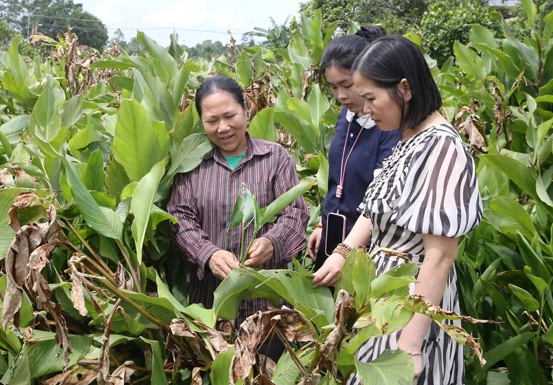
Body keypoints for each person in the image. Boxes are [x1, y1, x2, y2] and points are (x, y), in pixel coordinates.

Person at [312, 36, 483, 385]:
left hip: (412, 304)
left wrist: (410, 347)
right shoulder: (409, 139)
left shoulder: (441, 148)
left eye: (371, 97)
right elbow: (376, 210)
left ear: (404, 88)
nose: (364, 108)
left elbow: (439, 257)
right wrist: (342, 253)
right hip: (385, 301)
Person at [168, 76, 309, 324]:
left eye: (230, 116)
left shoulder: (275, 157)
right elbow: (179, 218)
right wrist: (208, 254)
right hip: (211, 304)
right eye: (212, 121)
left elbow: (295, 213)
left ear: (246, 111)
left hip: (268, 303)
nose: (223, 128)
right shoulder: (191, 163)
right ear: (202, 122)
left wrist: (272, 241)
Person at [308, 26, 401, 270]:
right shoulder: (345, 116)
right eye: (332, 87)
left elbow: (383, 202)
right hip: (332, 242)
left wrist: (345, 250)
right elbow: (338, 178)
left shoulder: (389, 127)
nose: (340, 95)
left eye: (346, 85)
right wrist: (322, 224)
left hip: (366, 252)